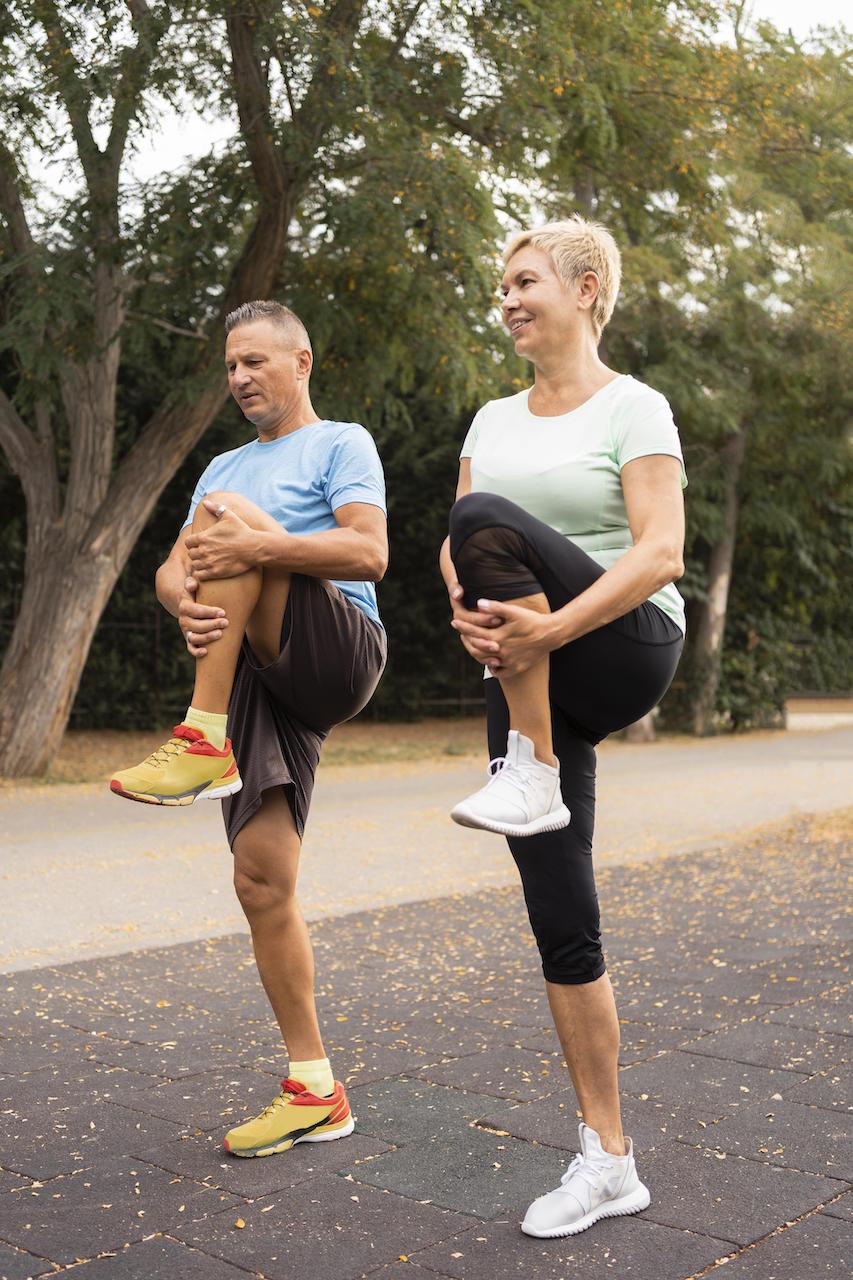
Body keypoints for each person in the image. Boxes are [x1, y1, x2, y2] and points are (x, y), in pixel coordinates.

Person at [439, 217, 686, 1237]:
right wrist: (470, 616)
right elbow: (458, 557)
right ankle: (607, 1157)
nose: (506, 298)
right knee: (561, 918)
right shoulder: (490, 417)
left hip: (621, 638)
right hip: (527, 663)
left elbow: (661, 550)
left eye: (524, 279)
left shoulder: (636, 406)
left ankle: (529, 765)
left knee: (484, 517)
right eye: (501, 284)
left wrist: (545, 628)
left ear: (586, 289)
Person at [110, 301, 388, 1156]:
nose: (239, 379)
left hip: (336, 647)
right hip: (256, 675)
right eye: (231, 366)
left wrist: (253, 549)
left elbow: (368, 555)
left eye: (255, 362)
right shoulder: (222, 463)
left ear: (302, 361)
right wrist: (183, 604)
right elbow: (169, 567)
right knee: (260, 880)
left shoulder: (341, 442)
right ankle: (314, 1089)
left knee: (234, 524)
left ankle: (198, 734)